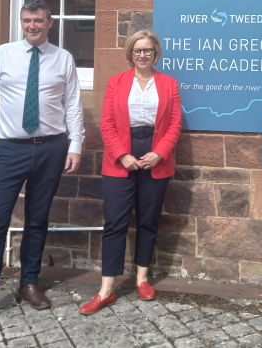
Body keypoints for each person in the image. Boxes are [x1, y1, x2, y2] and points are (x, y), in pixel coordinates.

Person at [0, 0, 84, 335]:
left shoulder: (63, 59)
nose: (32, 26)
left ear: (50, 22)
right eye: (26, 20)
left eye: (38, 20)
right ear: (21, 22)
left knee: (38, 219)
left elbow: (74, 105)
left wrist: (76, 144)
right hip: (10, 150)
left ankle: (28, 283)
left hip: (52, 148)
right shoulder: (3, 54)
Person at [79, 30, 181, 314]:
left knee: (148, 220)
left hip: (155, 154)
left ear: (155, 53)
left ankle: (141, 279)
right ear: (130, 53)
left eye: (148, 50)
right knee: (115, 224)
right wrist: (121, 154)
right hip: (120, 157)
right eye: (137, 50)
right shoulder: (116, 82)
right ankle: (106, 290)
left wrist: (159, 153)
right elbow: (106, 122)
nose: (143, 55)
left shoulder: (169, 83)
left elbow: (174, 124)